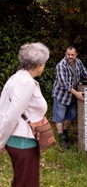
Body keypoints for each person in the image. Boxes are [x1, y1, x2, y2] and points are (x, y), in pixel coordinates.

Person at [0, 42, 50, 187]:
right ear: (38, 64)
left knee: (20, 182)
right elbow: (11, 116)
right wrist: (0, 142)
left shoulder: (16, 78)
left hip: (20, 142)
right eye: (44, 63)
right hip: (23, 143)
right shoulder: (26, 82)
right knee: (27, 183)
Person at [52, 46, 87, 149]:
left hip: (73, 94)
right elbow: (65, 84)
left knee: (71, 116)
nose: (70, 57)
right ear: (65, 54)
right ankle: (61, 138)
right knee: (59, 117)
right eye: (68, 54)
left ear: (76, 55)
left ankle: (65, 134)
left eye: (72, 55)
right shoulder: (61, 65)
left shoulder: (78, 62)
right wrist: (76, 94)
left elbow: (84, 72)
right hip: (61, 95)